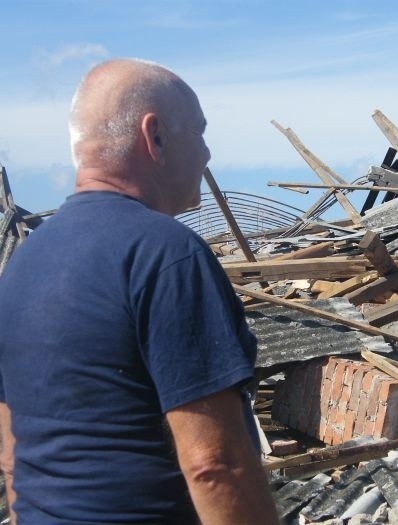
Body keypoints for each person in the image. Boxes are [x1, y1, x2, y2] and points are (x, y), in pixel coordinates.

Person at [0, 58, 279, 524]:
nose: (208, 154)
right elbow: (216, 465)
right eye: (199, 130)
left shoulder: (24, 263)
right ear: (157, 137)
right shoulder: (165, 254)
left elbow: (11, 452)